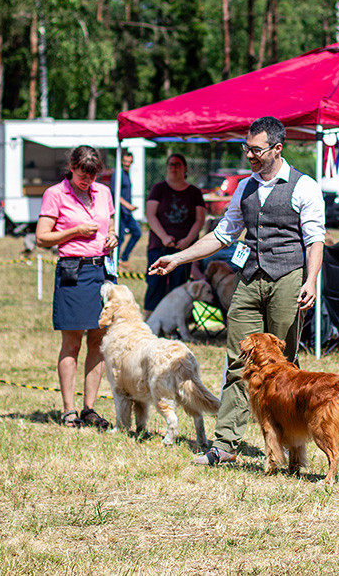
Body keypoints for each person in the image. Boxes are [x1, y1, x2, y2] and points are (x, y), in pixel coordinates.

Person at [148, 116, 326, 465]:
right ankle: (225, 445)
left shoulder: (305, 187)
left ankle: (294, 448)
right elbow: (222, 235)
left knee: (285, 365)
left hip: (288, 278)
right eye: (247, 149)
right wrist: (178, 258)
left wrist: (311, 280)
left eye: (256, 150)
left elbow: (314, 239)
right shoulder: (244, 187)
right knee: (237, 360)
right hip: (249, 279)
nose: (250, 155)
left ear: (277, 149)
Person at [36, 145, 117, 429]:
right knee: (72, 343)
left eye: (92, 176)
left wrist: (112, 236)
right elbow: (42, 237)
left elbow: (110, 223)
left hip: (103, 271)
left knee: (99, 342)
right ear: (71, 167)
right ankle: (68, 409)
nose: (87, 181)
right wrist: (75, 231)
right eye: (83, 175)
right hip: (74, 271)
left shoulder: (103, 192)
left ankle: (90, 407)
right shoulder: (55, 194)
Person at [144, 153, 206, 314]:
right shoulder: (159, 188)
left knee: (179, 286)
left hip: (185, 248)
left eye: (178, 164)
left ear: (185, 168)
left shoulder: (194, 192)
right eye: (171, 164)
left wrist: (187, 241)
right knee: (155, 284)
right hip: (159, 246)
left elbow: (200, 220)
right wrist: (163, 237)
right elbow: (150, 215)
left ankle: (175, 325)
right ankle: (150, 322)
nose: (174, 168)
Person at [115, 150, 142, 268]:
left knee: (137, 233)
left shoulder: (126, 173)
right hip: (120, 212)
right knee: (119, 238)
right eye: (125, 161)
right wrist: (128, 205)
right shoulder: (118, 173)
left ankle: (124, 258)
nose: (127, 164)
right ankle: (115, 262)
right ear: (121, 161)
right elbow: (115, 193)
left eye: (129, 162)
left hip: (127, 212)